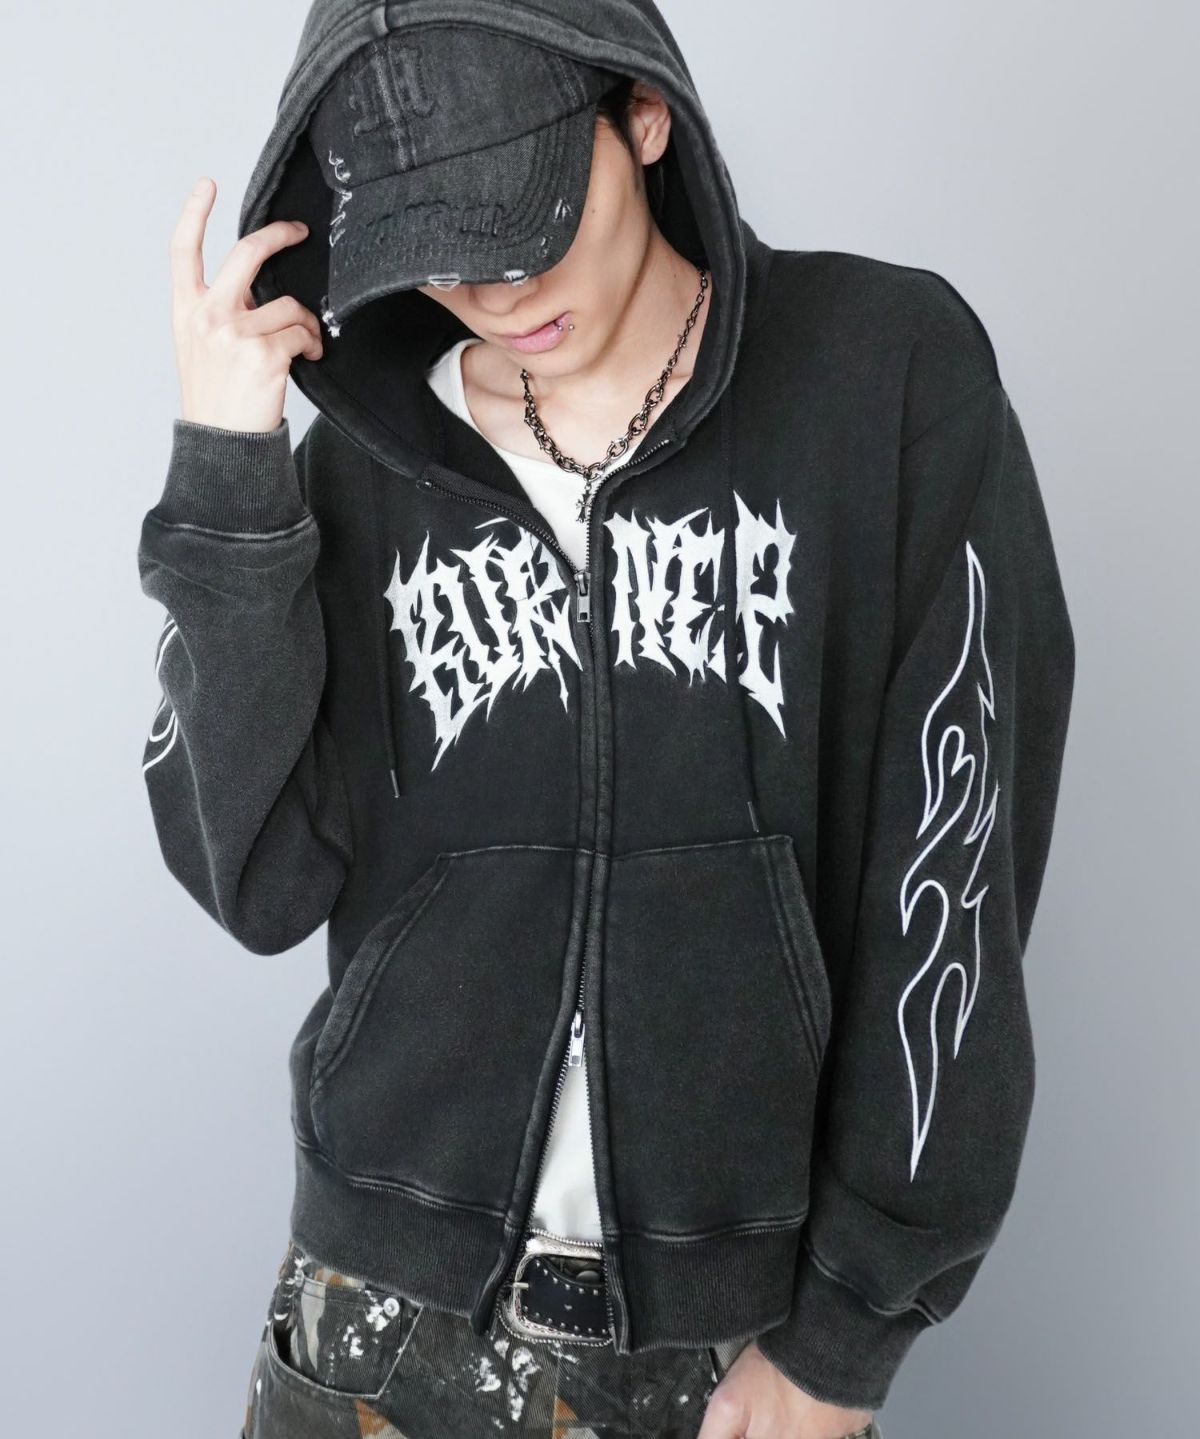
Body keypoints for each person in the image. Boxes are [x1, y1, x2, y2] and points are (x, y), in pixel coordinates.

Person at [138, 3, 1075, 1437]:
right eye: (434, 248)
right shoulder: (358, 470)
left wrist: (843, 1341)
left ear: (643, 117)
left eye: (523, 225)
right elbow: (255, 880)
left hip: (726, 1355)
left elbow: (956, 874)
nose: (490, 292)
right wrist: (226, 478)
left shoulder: (887, 380)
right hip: (371, 1330)